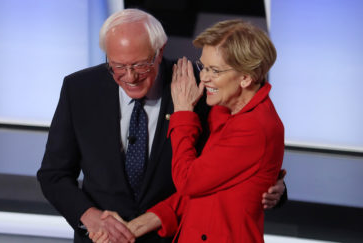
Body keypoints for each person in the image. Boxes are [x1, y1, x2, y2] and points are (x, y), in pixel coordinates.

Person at [37, 9, 286, 243]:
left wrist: (272, 187)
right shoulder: (79, 89)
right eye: (118, 66)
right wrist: (89, 217)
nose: (130, 76)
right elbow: (53, 174)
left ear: (160, 50)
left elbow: (233, 161)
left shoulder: (201, 90)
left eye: (140, 65)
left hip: (169, 236)